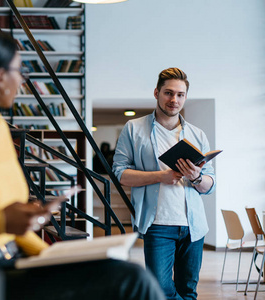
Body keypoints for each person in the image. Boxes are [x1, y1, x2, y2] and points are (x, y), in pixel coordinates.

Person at [0, 23, 165, 300]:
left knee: (122, 271)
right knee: (131, 280)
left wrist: (57, 256)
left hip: (14, 259)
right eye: (20, 71)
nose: (22, 81)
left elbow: (12, 226)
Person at [112, 68, 216, 300]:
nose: (174, 100)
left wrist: (196, 177)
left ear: (185, 97)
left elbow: (210, 184)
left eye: (180, 95)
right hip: (158, 224)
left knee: (188, 290)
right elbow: (120, 174)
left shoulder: (197, 134)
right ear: (156, 92)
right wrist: (160, 176)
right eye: (168, 93)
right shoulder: (134, 128)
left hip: (193, 226)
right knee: (160, 289)